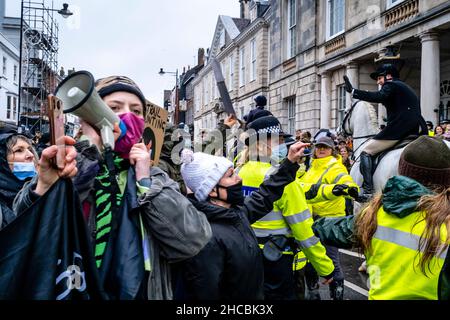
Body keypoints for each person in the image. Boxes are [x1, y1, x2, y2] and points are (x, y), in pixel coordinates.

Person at [61, 75, 212, 299]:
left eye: (137, 111)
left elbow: (193, 240)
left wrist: (145, 181)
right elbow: (37, 215)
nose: (128, 116)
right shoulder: (67, 165)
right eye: (114, 107)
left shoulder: (156, 176)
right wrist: (87, 154)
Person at [313, 135, 450, 300]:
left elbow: (332, 228)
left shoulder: (373, 213)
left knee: (367, 152)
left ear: (402, 170)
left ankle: (368, 183)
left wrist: (302, 225)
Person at [177, 141, 308, 300]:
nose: (238, 178)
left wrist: (289, 163)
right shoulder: (206, 238)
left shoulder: (235, 213)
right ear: (211, 190)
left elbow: (265, 195)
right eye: (230, 175)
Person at [238, 115, 335, 300]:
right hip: (278, 261)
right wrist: (326, 268)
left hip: (246, 257)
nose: (284, 145)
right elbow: (304, 231)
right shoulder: (284, 180)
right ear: (260, 144)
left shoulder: (238, 172)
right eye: (279, 140)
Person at [343, 64, 428, 199]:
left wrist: (353, 91)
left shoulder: (391, 85)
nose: (378, 82)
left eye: (380, 78)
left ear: (388, 76)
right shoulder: (405, 88)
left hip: (401, 128)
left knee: (366, 151)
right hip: (417, 128)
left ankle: (368, 190)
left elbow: (378, 97)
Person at [297, 136, 359, 300]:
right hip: (311, 221)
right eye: (319, 147)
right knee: (310, 260)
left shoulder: (335, 166)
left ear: (332, 150)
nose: (321, 150)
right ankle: (313, 293)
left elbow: (343, 179)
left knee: (332, 262)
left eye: (325, 147)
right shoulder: (312, 167)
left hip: (330, 222)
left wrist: (350, 187)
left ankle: (336, 296)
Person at [0, 133, 39, 230]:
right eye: (19, 150)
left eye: (30, 150)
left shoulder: (39, 189)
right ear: (2, 160)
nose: (30, 155)